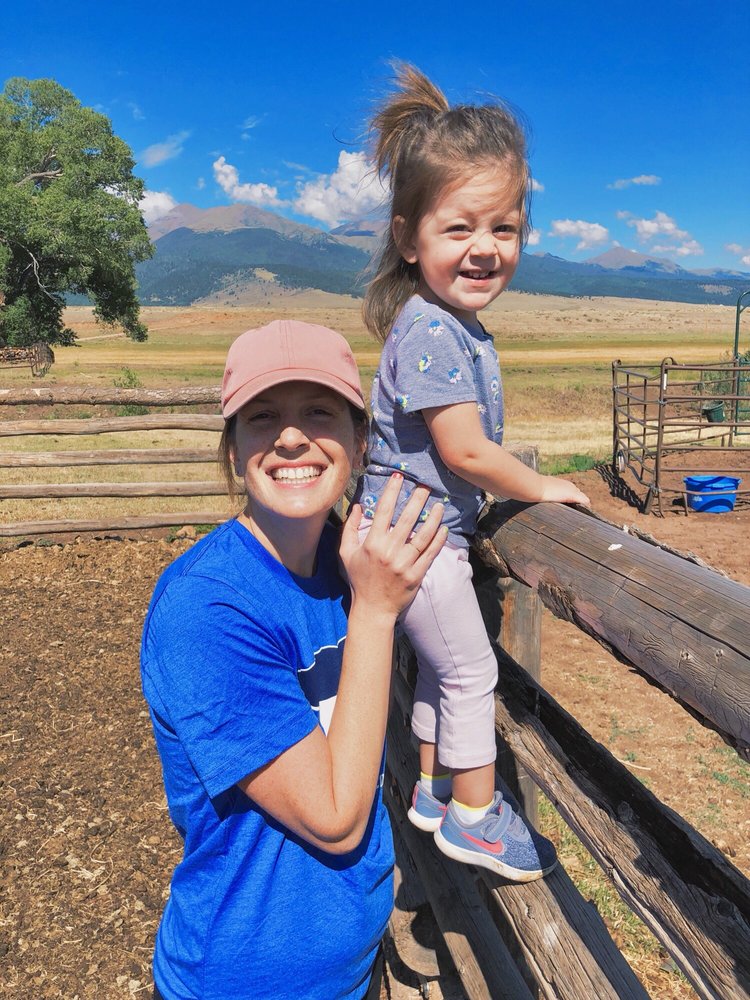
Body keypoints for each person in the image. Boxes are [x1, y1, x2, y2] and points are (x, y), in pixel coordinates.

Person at [140, 319, 446, 1000]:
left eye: (318, 412)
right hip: (243, 980)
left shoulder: (352, 560)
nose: (290, 437)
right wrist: (374, 611)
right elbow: (334, 819)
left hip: (346, 971)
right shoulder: (208, 609)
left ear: (361, 441)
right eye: (263, 417)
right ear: (234, 450)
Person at [355, 63, 591, 881]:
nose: (486, 248)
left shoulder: (448, 325)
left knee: (443, 663)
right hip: (415, 538)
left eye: (506, 227)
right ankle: (475, 814)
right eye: (460, 229)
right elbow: (461, 451)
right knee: (470, 667)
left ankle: (430, 788)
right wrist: (539, 485)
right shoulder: (430, 331)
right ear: (408, 236)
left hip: (412, 533)